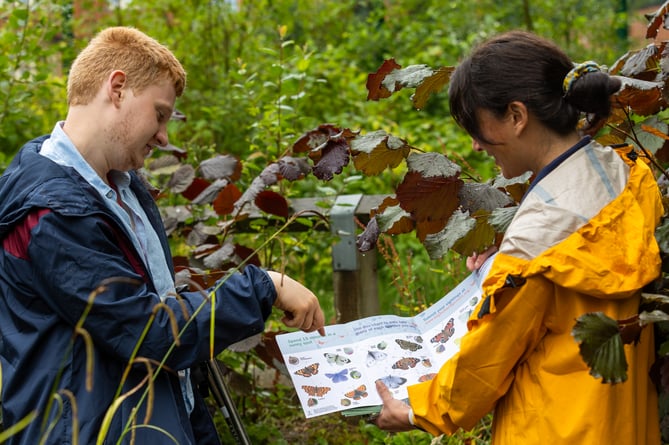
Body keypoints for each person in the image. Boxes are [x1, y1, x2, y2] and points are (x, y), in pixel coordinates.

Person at [0, 26, 325, 445]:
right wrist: (264, 287)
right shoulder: (51, 214)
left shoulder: (122, 187)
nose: (164, 136)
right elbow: (147, 332)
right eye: (159, 113)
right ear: (117, 88)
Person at [371, 30, 663, 444]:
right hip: (624, 425)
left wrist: (418, 408)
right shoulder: (624, 174)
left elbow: (485, 364)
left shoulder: (535, 242)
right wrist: (506, 259)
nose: (474, 145)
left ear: (516, 115)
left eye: (477, 126)